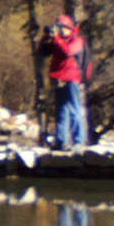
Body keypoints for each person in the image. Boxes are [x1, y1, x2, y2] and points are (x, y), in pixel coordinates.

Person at [40, 14, 92, 149]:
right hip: (59, 78)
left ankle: (79, 140)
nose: (61, 31)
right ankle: (61, 140)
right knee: (62, 110)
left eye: (64, 28)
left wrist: (56, 38)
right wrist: (46, 38)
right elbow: (43, 51)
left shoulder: (77, 41)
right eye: (59, 28)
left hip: (72, 78)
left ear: (70, 28)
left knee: (75, 109)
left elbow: (68, 51)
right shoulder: (57, 40)